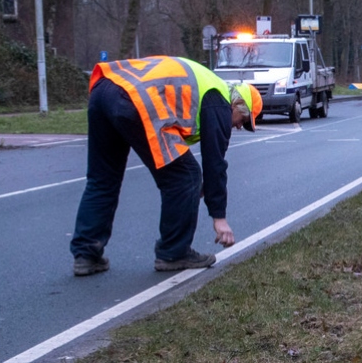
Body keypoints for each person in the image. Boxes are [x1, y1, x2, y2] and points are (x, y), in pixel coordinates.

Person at [70, 56, 261, 276]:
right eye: (244, 121)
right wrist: (219, 218)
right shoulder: (219, 100)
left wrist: (195, 190)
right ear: (239, 104)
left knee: (103, 179)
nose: (238, 126)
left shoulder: (208, 87)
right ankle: (173, 252)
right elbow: (215, 162)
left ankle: (86, 255)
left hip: (105, 88)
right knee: (186, 176)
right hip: (137, 99)